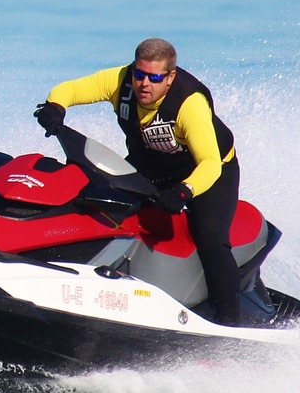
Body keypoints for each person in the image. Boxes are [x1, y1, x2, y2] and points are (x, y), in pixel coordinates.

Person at [34, 38, 243, 325]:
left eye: (155, 77)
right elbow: (72, 88)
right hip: (150, 167)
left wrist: (184, 191)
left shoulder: (189, 104)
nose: (145, 83)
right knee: (94, 198)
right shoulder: (122, 80)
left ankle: (230, 323)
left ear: (170, 77)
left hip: (205, 174)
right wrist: (55, 106)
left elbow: (209, 162)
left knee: (211, 238)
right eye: (140, 74)